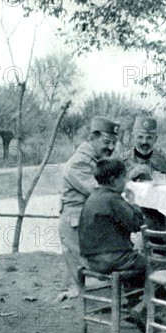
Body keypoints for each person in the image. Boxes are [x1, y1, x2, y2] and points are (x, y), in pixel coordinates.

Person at [59, 116, 119, 281]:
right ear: (92, 137)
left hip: (88, 222)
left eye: (114, 143)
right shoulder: (80, 162)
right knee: (93, 271)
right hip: (76, 224)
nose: (111, 147)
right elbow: (100, 193)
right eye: (107, 142)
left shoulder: (95, 160)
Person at [78, 159, 145, 276]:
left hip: (93, 260)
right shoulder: (112, 199)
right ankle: (151, 294)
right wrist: (133, 202)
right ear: (113, 181)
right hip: (113, 259)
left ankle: (131, 292)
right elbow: (136, 225)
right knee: (160, 263)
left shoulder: (93, 196)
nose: (126, 182)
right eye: (124, 178)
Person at [122, 116, 166, 181]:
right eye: (140, 137)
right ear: (133, 137)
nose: (144, 142)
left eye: (149, 138)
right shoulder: (122, 159)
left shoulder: (165, 159)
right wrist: (131, 175)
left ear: (155, 139)